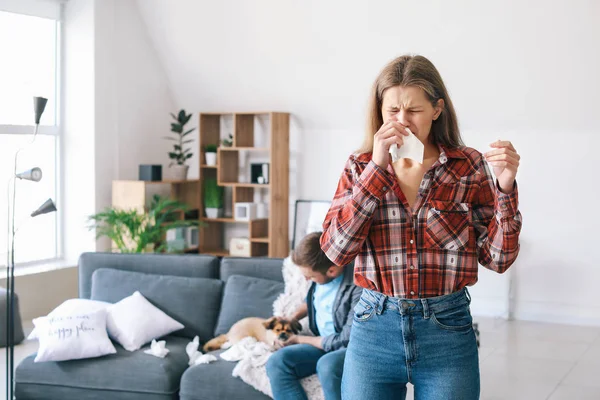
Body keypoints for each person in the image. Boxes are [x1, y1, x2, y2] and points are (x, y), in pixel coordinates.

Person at [320, 55, 522, 400]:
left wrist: (504, 188)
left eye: (413, 110)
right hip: (373, 328)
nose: (403, 122)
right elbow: (336, 250)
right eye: (392, 111)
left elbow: (499, 259)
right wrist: (378, 169)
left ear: (436, 109)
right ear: (379, 112)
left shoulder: (467, 165)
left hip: (447, 328)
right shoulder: (359, 165)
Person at [266, 231, 362, 400]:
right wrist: (292, 318)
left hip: (349, 348)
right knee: (277, 362)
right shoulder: (321, 275)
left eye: (310, 276)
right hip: (322, 342)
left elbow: (346, 339)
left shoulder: (358, 285)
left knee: (327, 365)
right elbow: (313, 302)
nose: (305, 279)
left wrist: (298, 340)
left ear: (332, 271)